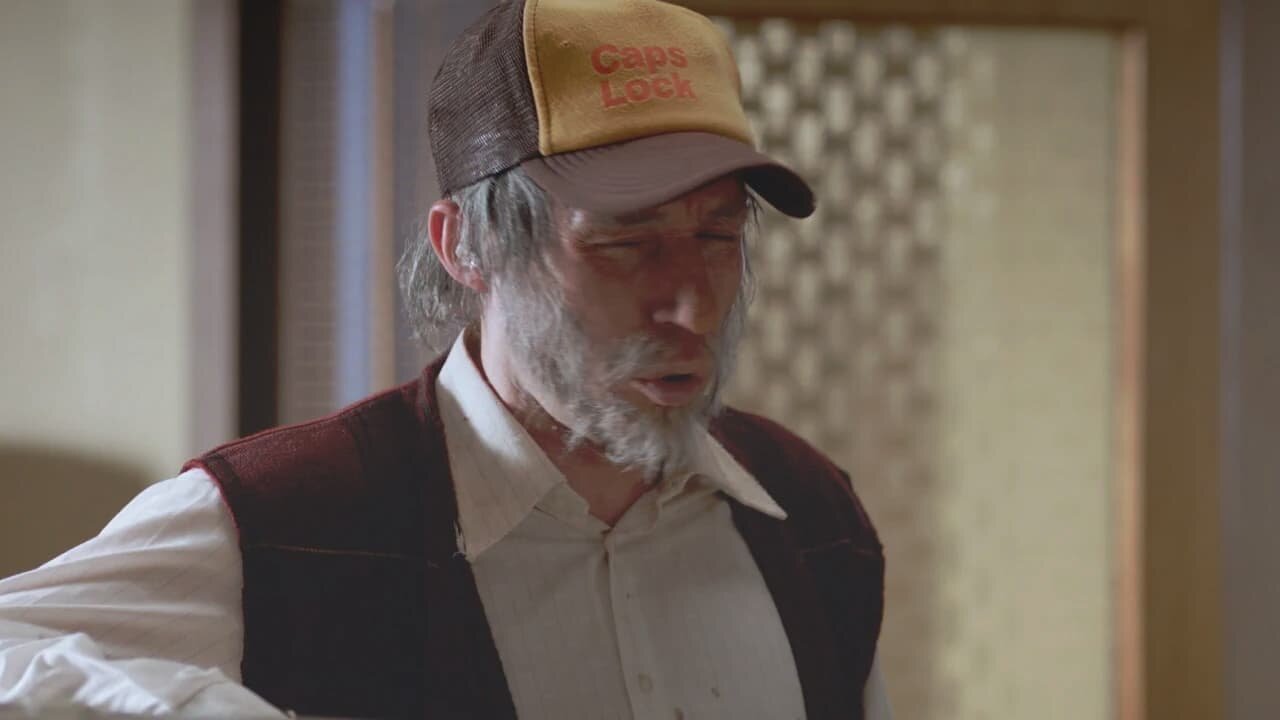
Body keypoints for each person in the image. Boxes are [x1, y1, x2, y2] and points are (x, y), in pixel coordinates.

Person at [0, 0, 890, 717]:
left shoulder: (809, 515)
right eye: (624, 242)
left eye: (717, 236)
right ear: (466, 243)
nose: (692, 303)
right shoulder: (287, 518)